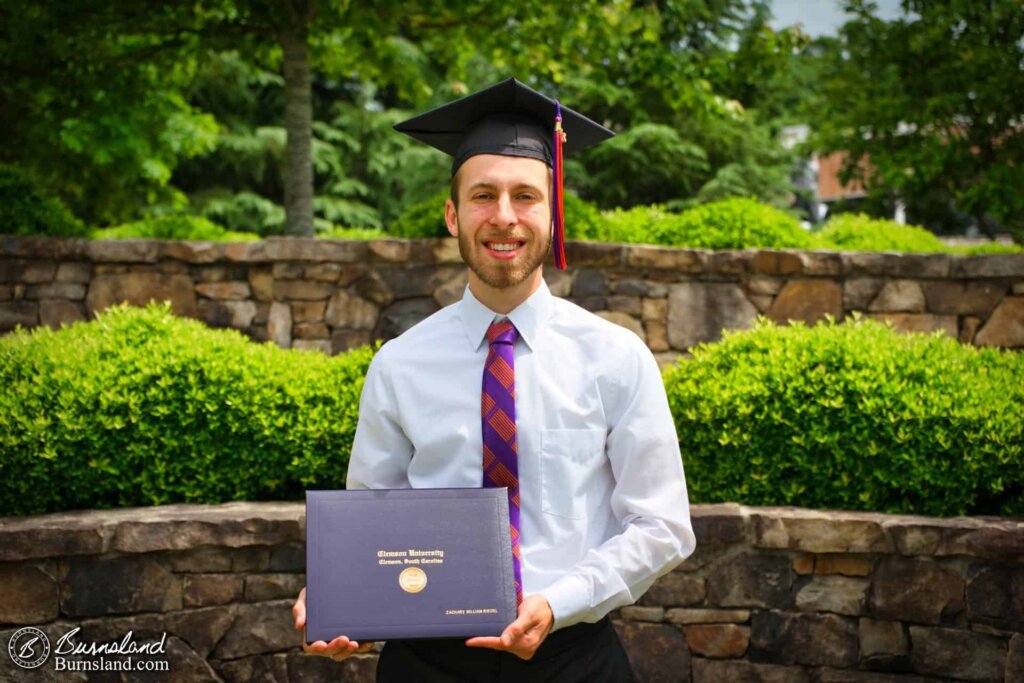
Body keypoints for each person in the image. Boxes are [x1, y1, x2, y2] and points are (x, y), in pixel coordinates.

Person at [292, 77, 695, 682]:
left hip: (574, 660)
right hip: (426, 665)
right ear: (453, 215)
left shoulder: (615, 357)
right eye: (483, 195)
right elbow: (373, 519)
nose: (503, 217)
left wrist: (561, 601)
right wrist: (340, 592)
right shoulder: (399, 364)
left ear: (552, 213)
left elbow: (661, 525)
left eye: (525, 196)